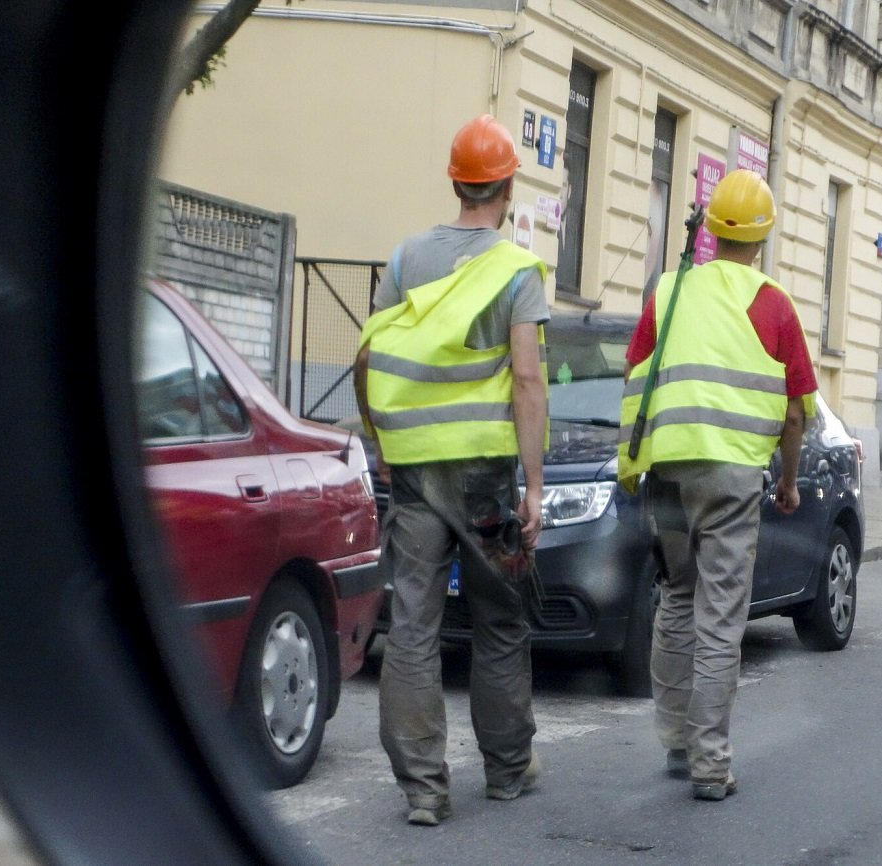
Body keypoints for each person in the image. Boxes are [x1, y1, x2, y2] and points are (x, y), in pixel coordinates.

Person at [354, 114, 549, 827]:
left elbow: (370, 357)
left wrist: (379, 442)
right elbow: (527, 382)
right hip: (486, 480)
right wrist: (532, 485)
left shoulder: (406, 259)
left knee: (412, 624)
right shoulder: (516, 270)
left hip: (413, 473)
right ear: (505, 185)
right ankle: (505, 772)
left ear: (456, 181)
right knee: (500, 620)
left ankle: (424, 790)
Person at [617, 169, 817, 801]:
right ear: (762, 236)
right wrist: (787, 483)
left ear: (707, 230)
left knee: (677, 598)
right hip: (731, 480)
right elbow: (794, 412)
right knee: (721, 617)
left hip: (669, 472)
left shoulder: (670, 290)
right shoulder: (774, 305)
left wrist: (635, 462)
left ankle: (675, 740)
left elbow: (636, 373)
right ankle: (709, 762)